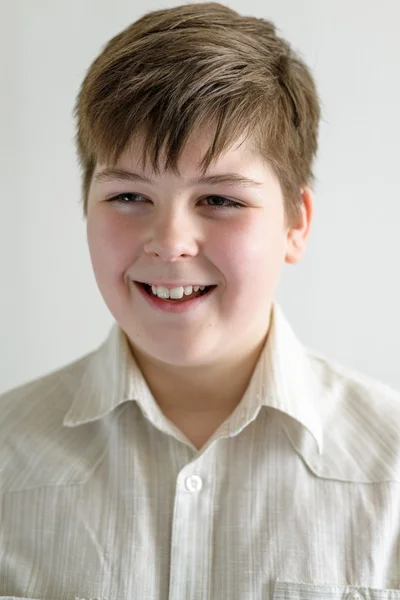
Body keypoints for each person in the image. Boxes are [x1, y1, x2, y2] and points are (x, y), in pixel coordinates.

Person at [1, 2, 400, 598]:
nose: (168, 243)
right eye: (130, 195)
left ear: (296, 223)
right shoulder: (9, 461)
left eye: (219, 200)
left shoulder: (389, 472)